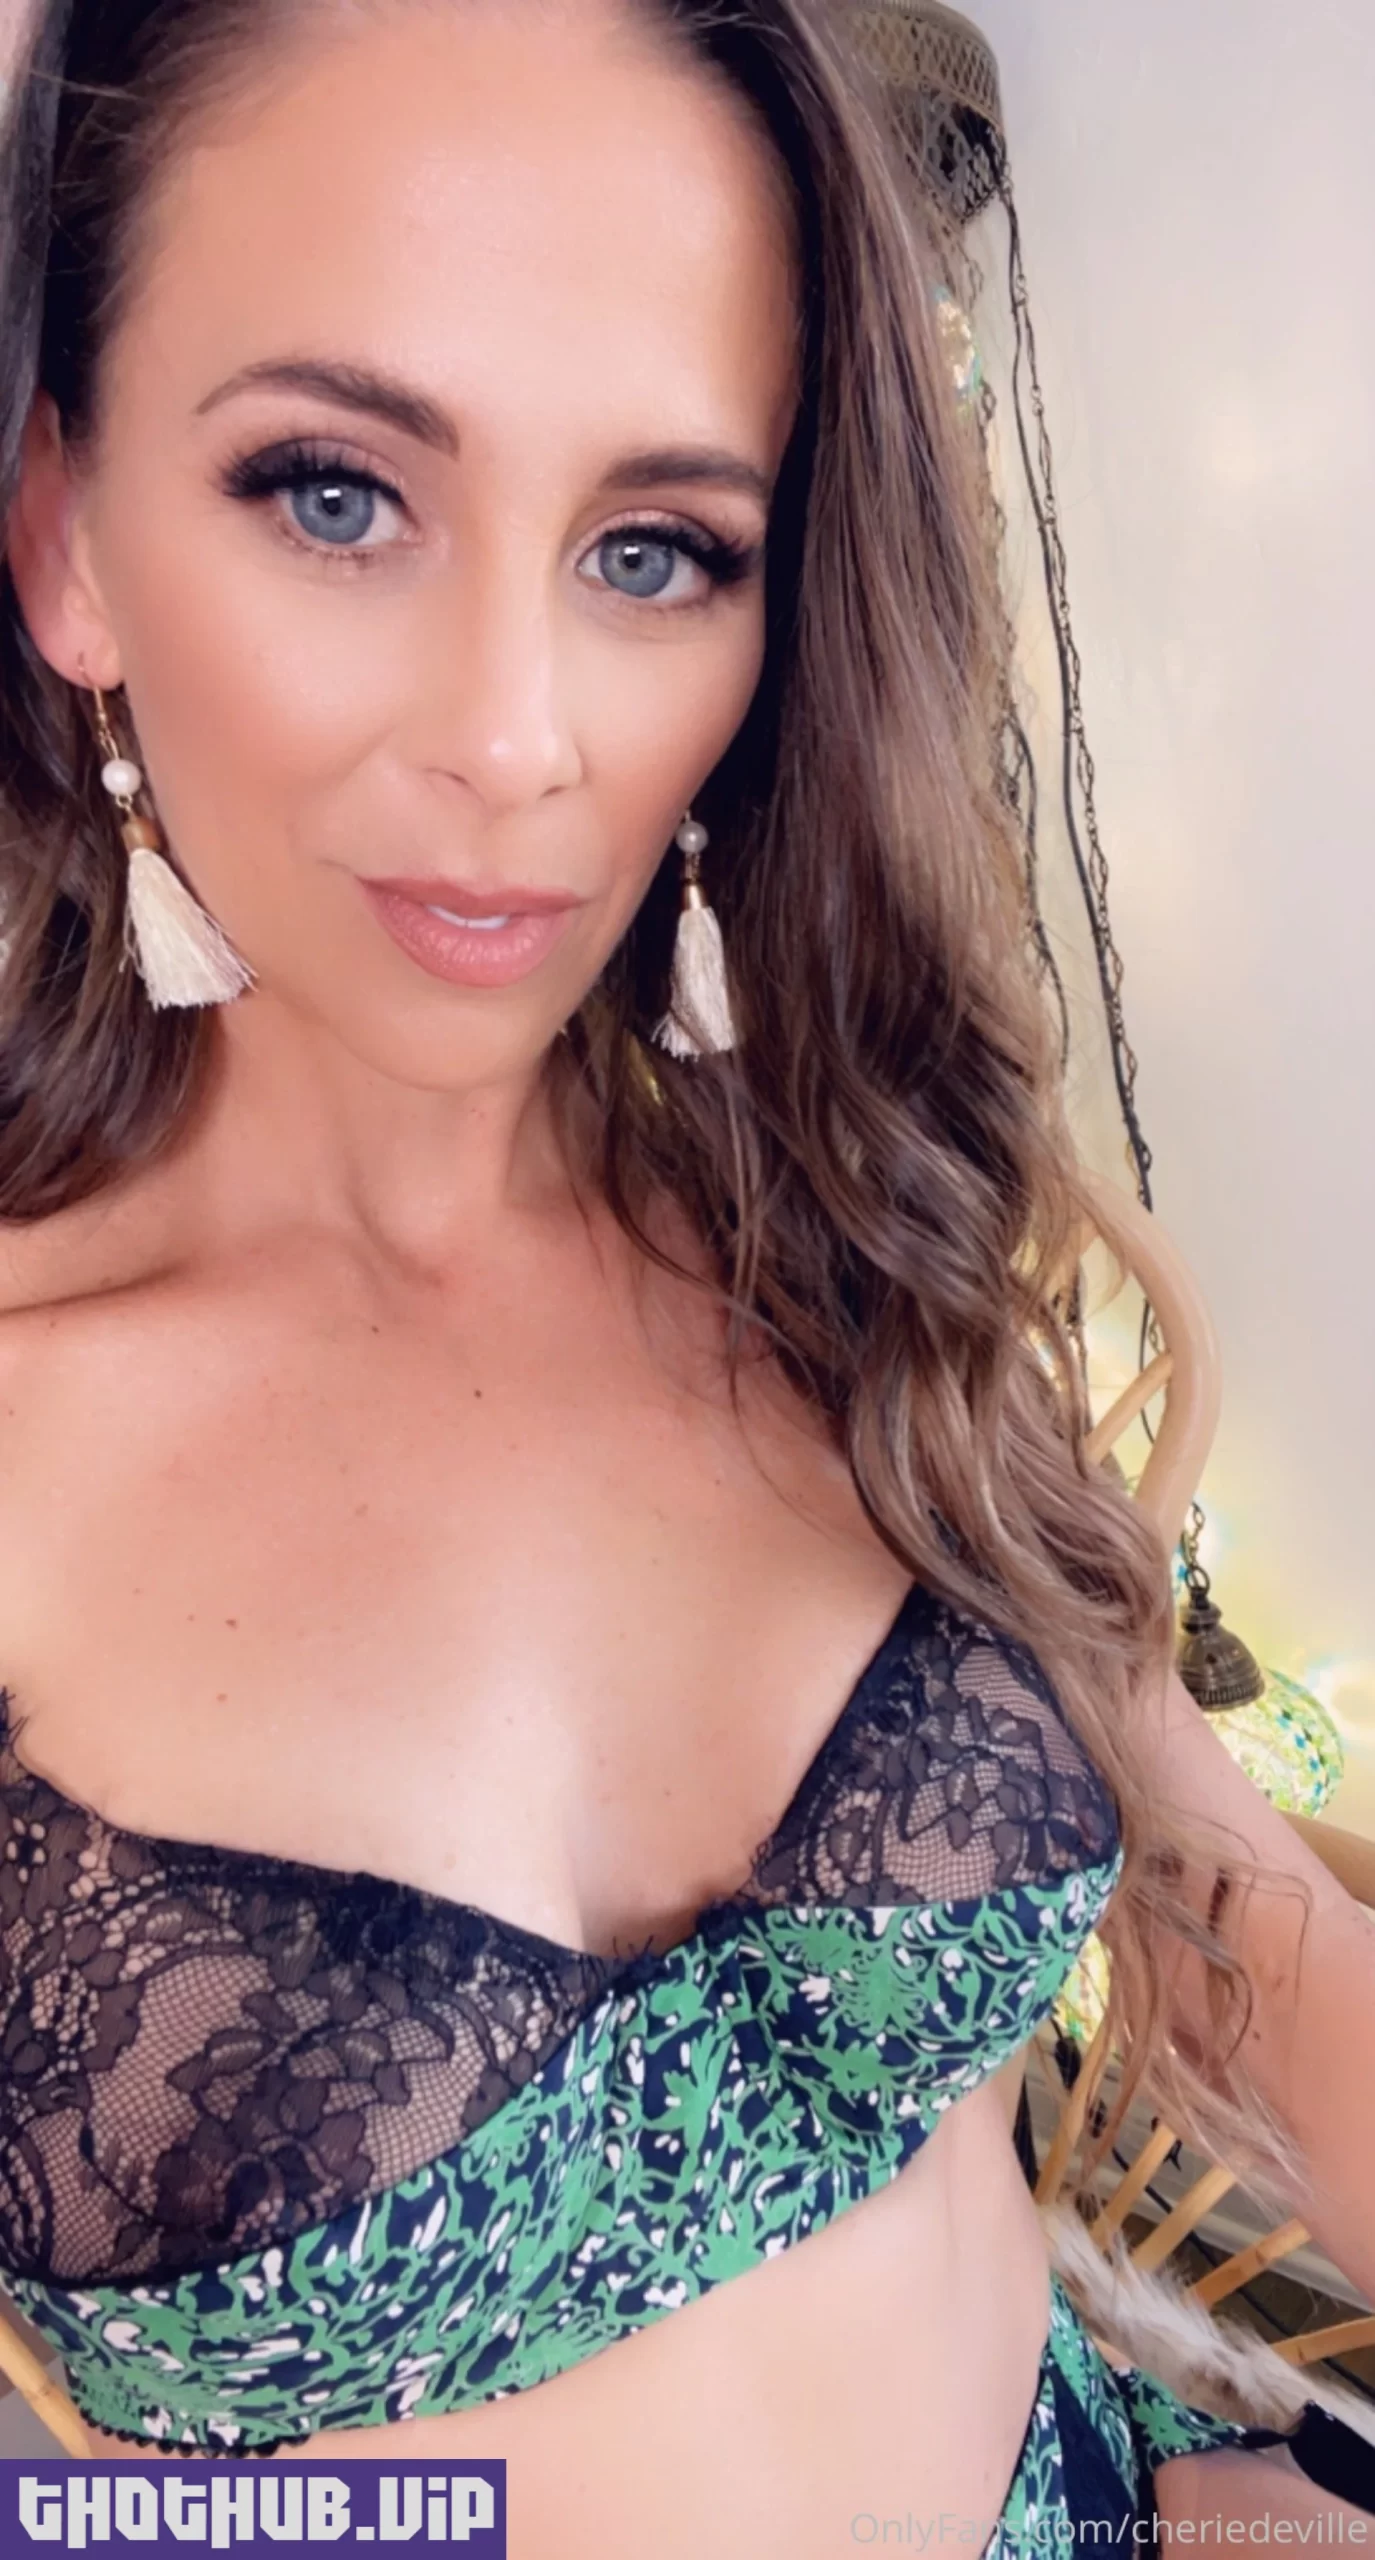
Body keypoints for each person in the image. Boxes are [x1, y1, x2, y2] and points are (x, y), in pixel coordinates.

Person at [0, 0, 1370, 2546]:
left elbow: (1238, 1923)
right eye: (334, 492)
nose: (519, 735)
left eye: (655, 549)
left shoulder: (849, 1231)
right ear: (63, 531)